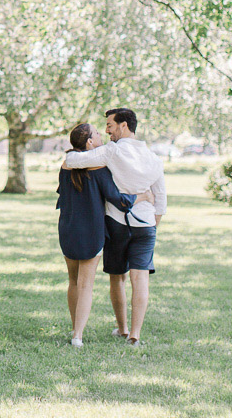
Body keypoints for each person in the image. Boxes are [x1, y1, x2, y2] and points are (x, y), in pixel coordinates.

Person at [64, 107, 166, 346]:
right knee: (140, 279)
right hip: (146, 225)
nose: (107, 131)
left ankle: (122, 328)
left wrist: (70, 157)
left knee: (117, 278)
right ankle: (134, 334)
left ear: (123, 125)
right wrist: (153, 225)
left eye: (110, 125)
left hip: (118, 222)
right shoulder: (153, 158)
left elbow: (74, 159)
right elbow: (160, 198)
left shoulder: (112, 151)